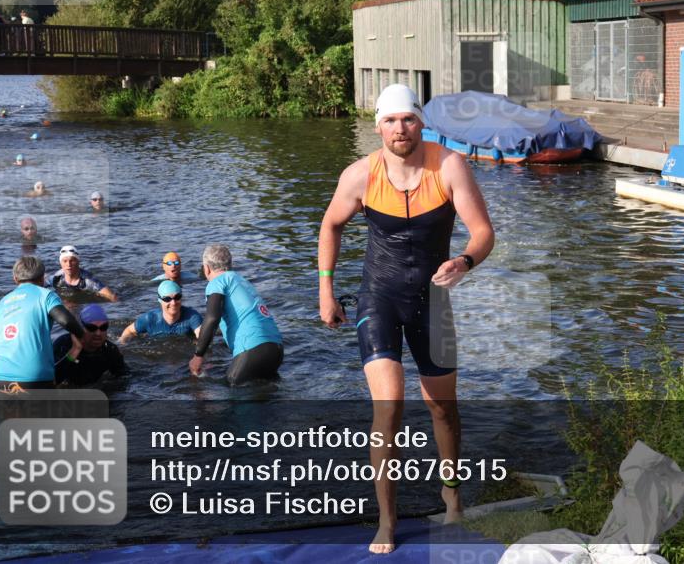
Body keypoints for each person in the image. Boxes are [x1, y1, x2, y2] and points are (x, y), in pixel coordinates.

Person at [318, 83, 495, 554]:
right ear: (378, 126)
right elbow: (330, 225)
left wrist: (464, 262)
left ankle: (451, 495)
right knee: (389, 407)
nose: (400, 129)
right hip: (378, 299)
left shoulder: (449, 166)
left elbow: (482, 231)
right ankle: (388, 520)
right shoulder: (360, 175)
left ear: (421, 122)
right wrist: (326, 290)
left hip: (433, 302)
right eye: (391, 121)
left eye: (409, 119)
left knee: (442, 408)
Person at [188, 244, 282, 385]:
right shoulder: (242, 281)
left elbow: (213, 318)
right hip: (276, 349)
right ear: (230, 264)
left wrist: (198, 355)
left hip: (252, 349)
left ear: (206, 268)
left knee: (232, 394)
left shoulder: (216, 283)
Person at [0, 256, 86, 390]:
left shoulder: (2, 302)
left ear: (15, 279)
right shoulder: (46, 295)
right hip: (34, 377)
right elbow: (66, 321)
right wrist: (83, 335)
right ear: (42, 278)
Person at [53, 304, 128, 386]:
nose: (98, 333)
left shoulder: (110, 349)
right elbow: (51, 382)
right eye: (91, 328)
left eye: (103, 327)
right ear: (80, 328)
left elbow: (125, 377)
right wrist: (75, 350)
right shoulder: (63, 345)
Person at [119, 280, 203, 344]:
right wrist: (123, 344)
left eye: (177, 297)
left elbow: (202, 336)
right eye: (167, 299)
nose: (173, 303)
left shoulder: (192, 317)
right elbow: (129, 331)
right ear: (160, 300)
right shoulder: (149, 319)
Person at [47, 245, 118, 302]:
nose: (68, 264)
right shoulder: (56, 278)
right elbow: (41, 281)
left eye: (72, 261)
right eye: (65, 261)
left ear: (78, 262)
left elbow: (112, 297)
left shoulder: (88, 281)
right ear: (60, 263)